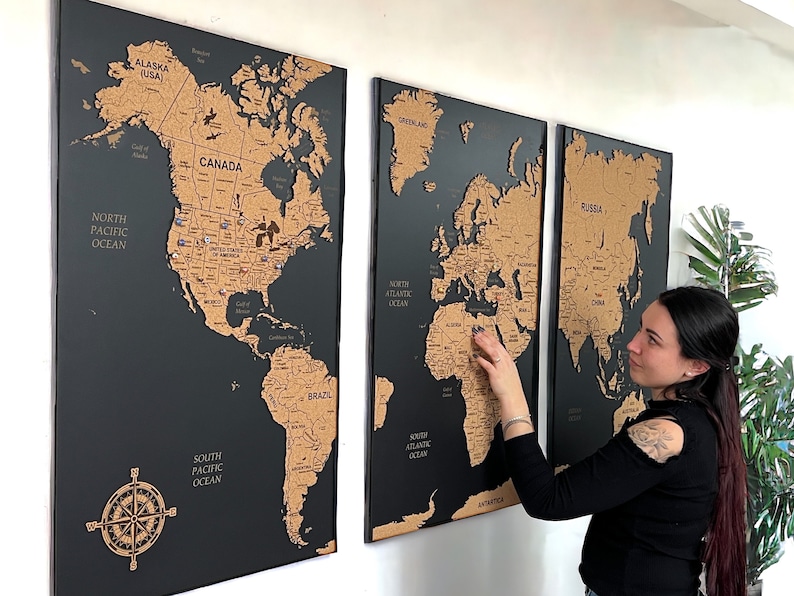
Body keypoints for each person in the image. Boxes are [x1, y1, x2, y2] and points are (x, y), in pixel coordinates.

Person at [471, 286, 747, 596]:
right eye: (641, 328)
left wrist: (512, 395)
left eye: (652, 340)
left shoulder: (667, 434)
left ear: (696, 366)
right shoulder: (703, 418)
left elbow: (547, 499)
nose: (632, 344)